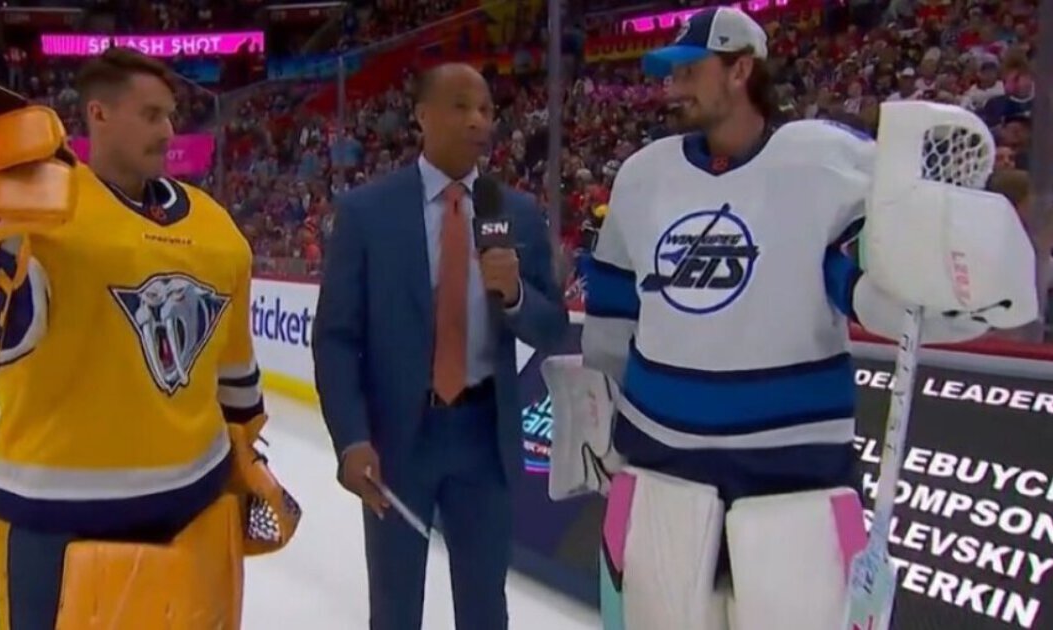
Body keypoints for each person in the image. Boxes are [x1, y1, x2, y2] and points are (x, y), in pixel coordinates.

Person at [578, 7, 1031, 629]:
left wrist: (938, 292)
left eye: (688, 71)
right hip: (660, 463)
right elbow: (612, 310)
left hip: (792, 474)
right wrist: (598, 417)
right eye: (669, 74)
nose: (671, 88)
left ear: (740, 70)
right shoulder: (641, 176)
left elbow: (871, 285)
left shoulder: (825, 162)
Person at [0, 47, 299, 628]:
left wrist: (244, 453)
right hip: (58, 519)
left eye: (170, 114)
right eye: (151, 115)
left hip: (195, 512)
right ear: (98, 114)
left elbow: (236, 377)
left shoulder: (219, 231)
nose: (168, 130)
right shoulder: (40, 216)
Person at [312, 62, 569, 630]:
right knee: (395, 607)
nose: (477, 120)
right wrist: (351, 438)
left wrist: (516, 294)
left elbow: (552, 328)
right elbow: (336, 338)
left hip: (483, 440)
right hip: (397, 442)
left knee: (485, 608)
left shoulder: (516, 213)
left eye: (486, 109)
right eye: (460, 106)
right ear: (422, 116)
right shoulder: (367, 213)